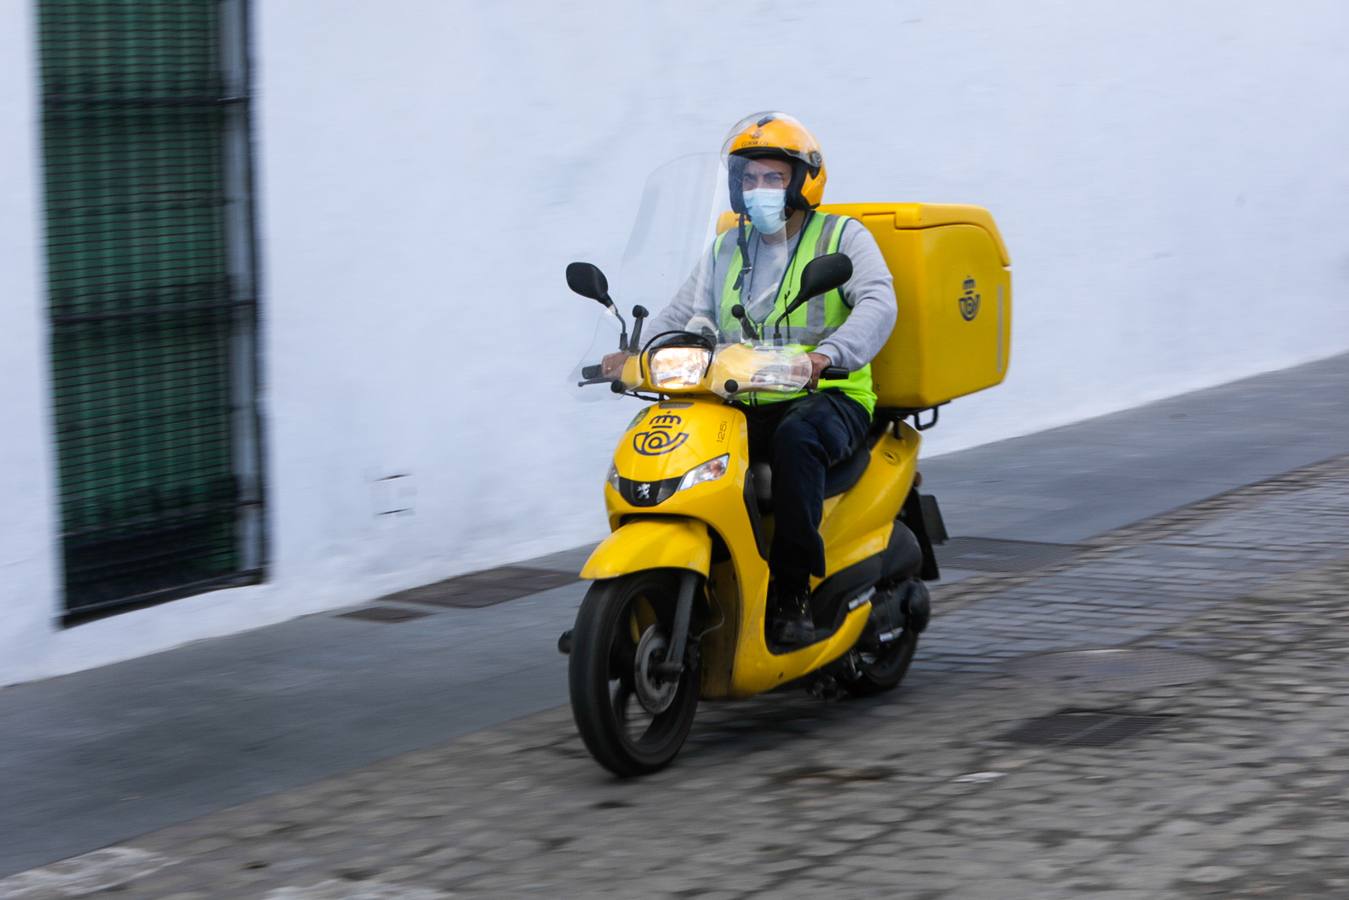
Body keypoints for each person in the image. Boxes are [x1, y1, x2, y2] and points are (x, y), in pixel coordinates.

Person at [625, 112, 898, 647]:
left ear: (801, 181)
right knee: (674, 439)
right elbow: (681, 310)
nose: (758, 191)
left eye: (771, 178)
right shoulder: (729, 247)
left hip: (828, 395)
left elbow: (878, 302)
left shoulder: (842, 237)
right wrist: (634, 353)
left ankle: (792, 595)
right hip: (741, 396)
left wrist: (829, 355)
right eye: (748, 180)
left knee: (798, 441)